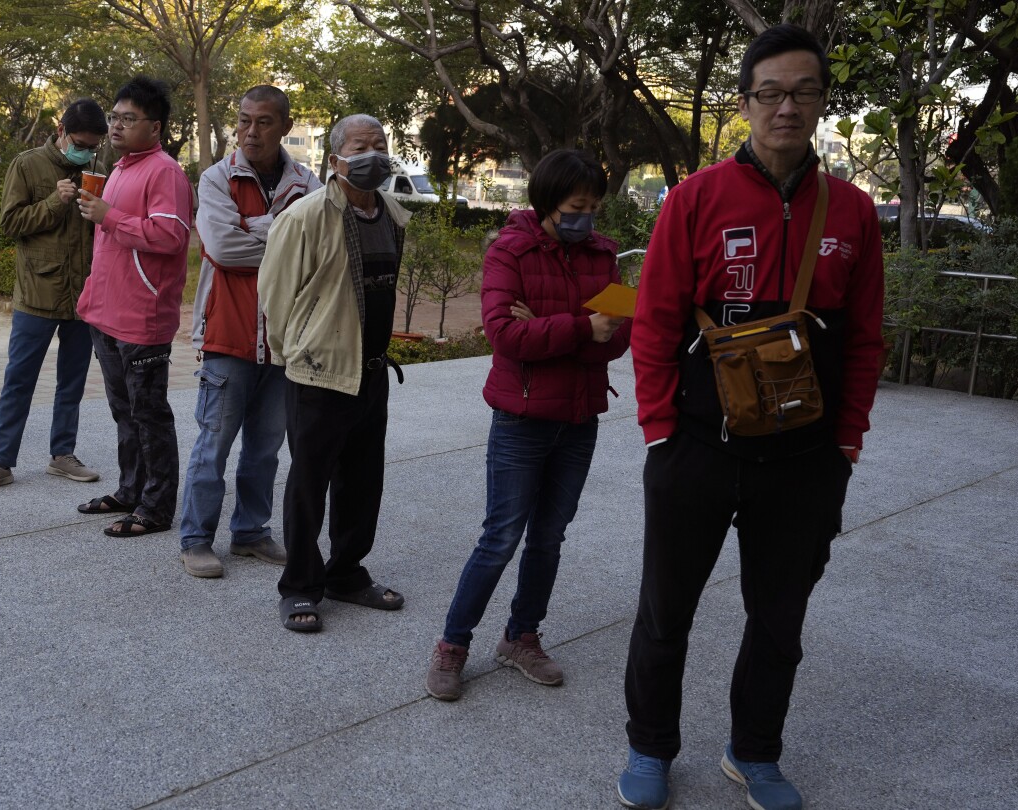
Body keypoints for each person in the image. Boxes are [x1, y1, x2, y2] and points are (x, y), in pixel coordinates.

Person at [616, 24, 885, 810]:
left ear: (821, 102)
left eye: (804, 92)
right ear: (745, 103)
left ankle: (754, 752)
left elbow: (865, 337)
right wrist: (660, 430)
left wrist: (846, 442)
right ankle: (649, 747)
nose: (787, 108)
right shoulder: (697, 198)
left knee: (779, 618)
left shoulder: (854, 212)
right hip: (696, 447)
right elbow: (656, 321)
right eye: (771, 92)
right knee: (666, 609)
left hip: (805, 460)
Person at [425, 150, 630, 699]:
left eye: (593, 206)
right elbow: (505, 338)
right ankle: (452, 644)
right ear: (546, 203)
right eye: (574, 207)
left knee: (548, 537)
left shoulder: (603, 254)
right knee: (500, 537)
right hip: (521, 417)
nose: (585, 217)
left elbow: (622, 336)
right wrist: (584, 329)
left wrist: (551, 328)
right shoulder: (509, 251)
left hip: (579, 416)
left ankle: (522, 636)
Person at [257, 114, 410, 632]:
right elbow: (275, 298)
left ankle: (346, 573)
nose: (374, 155)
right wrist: (295, 354)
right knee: (308, 484)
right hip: (319, 374)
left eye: (380, 145)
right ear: (335, 159)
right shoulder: (304, 217)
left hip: (371, 372)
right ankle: (300, 586)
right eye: (361, 146)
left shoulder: (392, 212)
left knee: (363, 483)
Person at [176, 85, 322, 577]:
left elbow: (319, 258)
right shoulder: (217, 178)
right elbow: (221, 248)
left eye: (262, 122)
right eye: (243, 120)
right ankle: (196, 538)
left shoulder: (308, 184)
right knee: (212, 445)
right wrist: (284, 236)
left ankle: (251, 532)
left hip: (285, 343)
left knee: (264, 448)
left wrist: (255, 227)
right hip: (227, 336)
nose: (250, 131)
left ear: (284, 125)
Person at [0, 99, 111, 494]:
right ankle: (1, 462)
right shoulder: (27, 164)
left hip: (83, 296)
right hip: (36, 295)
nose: (86, 151)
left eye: (93, 146)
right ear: (60, 130)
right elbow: (10, 224)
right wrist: (53, 202)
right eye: (80, 142)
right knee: (18, 380)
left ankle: (63, 455)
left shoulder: (100, 168)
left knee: (73, 381)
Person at [73, 76, 194, 536]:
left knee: (149, 415)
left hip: (143, 318)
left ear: (155, 126)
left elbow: (170, 236)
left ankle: (157, 508)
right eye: (114, 117)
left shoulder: (165, 171)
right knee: (124, 412)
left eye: (128, 119)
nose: (117, 126)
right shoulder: (122, 167)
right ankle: (130, 490)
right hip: (107, 313)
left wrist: (110, 215)